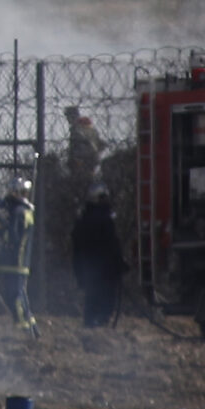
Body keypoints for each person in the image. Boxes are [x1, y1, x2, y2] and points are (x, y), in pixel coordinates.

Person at [70, 185, 128, 327]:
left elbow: (76, 247)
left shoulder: (83, 219)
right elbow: (112, 243)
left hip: (89, 267)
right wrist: (120, 263)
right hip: (106, 269)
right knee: (107, 298)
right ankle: (100, 322)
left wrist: (79, 270)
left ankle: (91, 322)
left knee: (92, 297)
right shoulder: (105, 219)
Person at [0, 179, 39, 333]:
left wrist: (0, 223)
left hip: (15, 260)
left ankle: (24, 330)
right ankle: (31, 327)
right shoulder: (23, 210)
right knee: (18, 293)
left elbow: (10, 236)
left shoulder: (18, 212)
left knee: (14, 295)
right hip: (18, 261)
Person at [64, 106, 105, 195]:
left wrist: (78, 159)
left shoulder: (80, 129)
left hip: (83, 164)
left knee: (82, 189)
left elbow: (86, 147)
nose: (68, 119)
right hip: (87, 163)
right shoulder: (85, 127)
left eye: (69, 116)